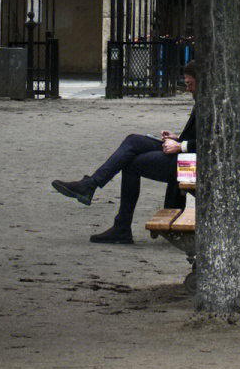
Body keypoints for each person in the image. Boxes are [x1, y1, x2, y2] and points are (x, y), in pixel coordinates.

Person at [52, 65, 197, 244]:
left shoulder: (211, 102)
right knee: (133, 141)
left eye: (190, 84)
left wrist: (180, 146)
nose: (188, 88)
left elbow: (214, 143)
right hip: (186, 153)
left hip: (191, 162)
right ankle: (91, 185)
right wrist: (177, 138)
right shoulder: (204, 99)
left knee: (131, 163)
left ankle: (117, 220)